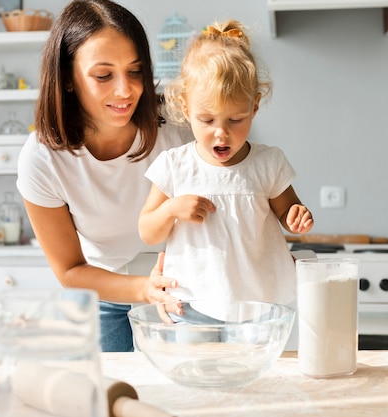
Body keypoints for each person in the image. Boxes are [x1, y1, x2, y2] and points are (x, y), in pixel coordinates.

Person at [16, 0, 188, 352]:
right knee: (111, 396)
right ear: (66, 78)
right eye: (103, 75)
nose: (125, 90)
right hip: (105, 289)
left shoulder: (176, 126)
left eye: (136, 70)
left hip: (183, 287)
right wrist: (144, 289)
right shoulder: (42, 158)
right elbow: (70, 271)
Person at [138, 20, 314, 323]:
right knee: (196, 370)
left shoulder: (268, 163)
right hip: (191, 304)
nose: (222, 134)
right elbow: (147, 232)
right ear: (185, 106)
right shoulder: (174, 166)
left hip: (259, 306)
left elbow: (288, 213)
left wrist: (296, 216)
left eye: (236, 119)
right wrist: (170, 210)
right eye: (207, 120)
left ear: (255, 106)